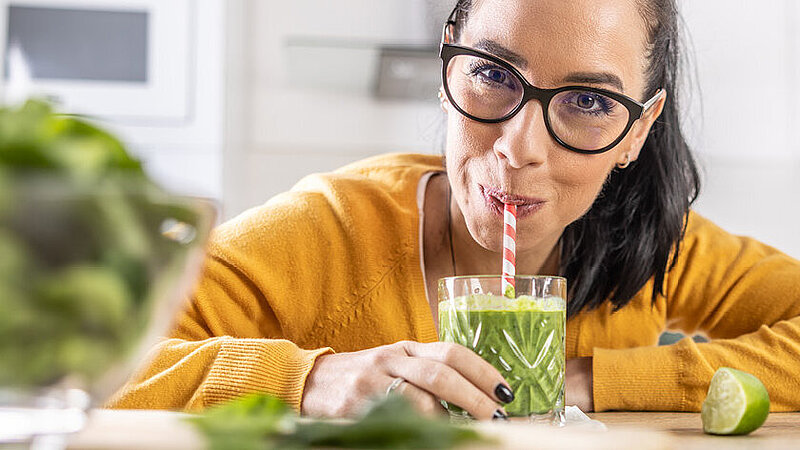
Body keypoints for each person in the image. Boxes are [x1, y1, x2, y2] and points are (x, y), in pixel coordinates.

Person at [109, 0, 800, 419]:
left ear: (639, 131)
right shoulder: (330, 230)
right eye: (494, 75)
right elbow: (83, 353)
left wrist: (589, 380)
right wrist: (309, 378)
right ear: (447, 73)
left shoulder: (659, 252)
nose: (518, 149)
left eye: (590, 101)